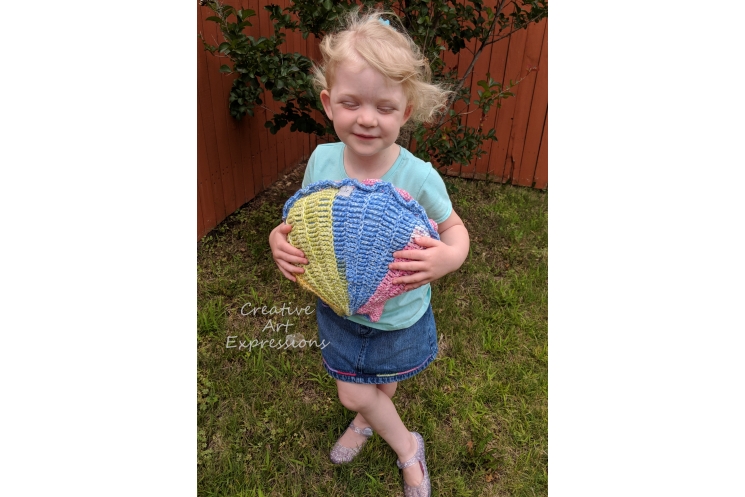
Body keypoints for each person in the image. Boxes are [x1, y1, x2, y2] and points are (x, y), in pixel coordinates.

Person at [269, 9, 470, 496]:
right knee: (355, 386)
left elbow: (455, 230)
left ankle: (384, 433)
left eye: (383, 107)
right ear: (328, 103)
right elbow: (302, 222)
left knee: (382, 379)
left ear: (404, 112)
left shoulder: (417, 176)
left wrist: (448, 257)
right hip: (340, 308)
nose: (365, 118)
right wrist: (279, 238)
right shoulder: (321, 160)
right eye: (350, 102)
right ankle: (397, 440)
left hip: (399, 314)